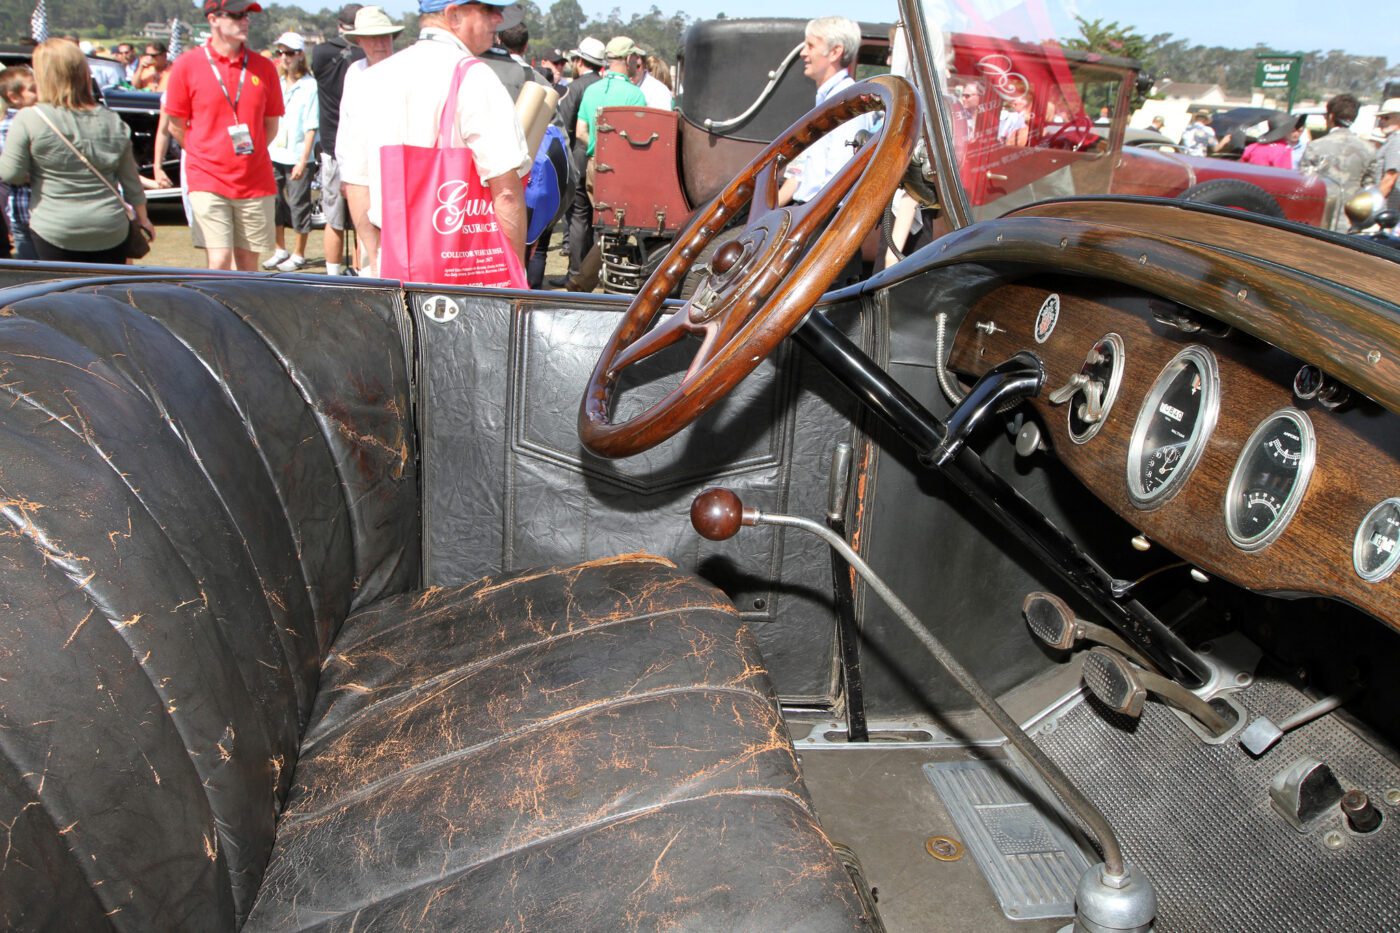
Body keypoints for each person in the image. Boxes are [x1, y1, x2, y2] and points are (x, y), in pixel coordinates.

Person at [339, 0, 531, 278]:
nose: (498, 19)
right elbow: (507, 192)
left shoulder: (370, 79)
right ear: (453, 15)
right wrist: (515, 271)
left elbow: (356, 183)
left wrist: (376, 259)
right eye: (487, 9)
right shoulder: (474, 76)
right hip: (460, 268)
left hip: (389, 263)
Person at [0, 39, 153, 263]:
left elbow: (11, 173)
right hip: (110, 226)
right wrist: (143, 218)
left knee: (61, 286)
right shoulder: (111, 119)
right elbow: (131, 181)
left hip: (55, 227)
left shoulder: (29, 118)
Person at [162, 0, 283, 271]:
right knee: (219, 261)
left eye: (247, 16)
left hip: (255, 180)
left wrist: (248, 155)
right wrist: (207, 154)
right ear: (213, 19)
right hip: (207, 178)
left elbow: (270, 126)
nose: (245, 21)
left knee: (248, 267)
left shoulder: (264, 67)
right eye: (237, 15)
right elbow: (176, 126)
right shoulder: (187, 65)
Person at [567, 36, 646, 291]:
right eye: (635, 58)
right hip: (621, 171)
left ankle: (583, 279)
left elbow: (581, 131)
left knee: (603, 226)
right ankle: (583, 282)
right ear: (629, 59)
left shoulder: (592, 90)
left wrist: (598, 147)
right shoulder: (635, 95)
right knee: (612, 229)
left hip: (594, 165)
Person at [334, 5, 403, 271]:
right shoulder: (354, 72)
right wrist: (345, 171)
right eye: (372, 38)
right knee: (368, 249)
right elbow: (346, 123)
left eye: (384, 36)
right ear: (359, 41)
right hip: (361, 168)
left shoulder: (405, 70)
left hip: (397, 167)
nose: (380, 43)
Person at [778, 16, 869, 206]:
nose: (803, 53)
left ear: (835, 52)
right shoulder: (827, 99)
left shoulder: (846, 102)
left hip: (824, 213)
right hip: (808, 209)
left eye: (810, 46)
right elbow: (802, 172)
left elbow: (838, 179)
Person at [310, 4, 366, 275]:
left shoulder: (321, 52)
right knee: (363, 218)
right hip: (361, 146)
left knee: (334, 219)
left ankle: (333, 274)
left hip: (332, 146)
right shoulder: (368, 53)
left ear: (339, 25)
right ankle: (361, 272)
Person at [550, 36, 604, 287]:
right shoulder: (602, 86)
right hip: (604, 161)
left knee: (578, 218)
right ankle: (592, 273)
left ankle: (576, 274)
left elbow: (564, 124)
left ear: (579, 61)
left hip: (580, 159)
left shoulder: (576, 87)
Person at [264, 32, 318, 272]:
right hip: (274, 152)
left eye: (289, 53)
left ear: (300, 55)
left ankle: (299, 253)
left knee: (298, 204)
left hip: (298, 154)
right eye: (280, 52)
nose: (284, 57)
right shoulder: (276, 82)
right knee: (274, 202)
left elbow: (311, 127)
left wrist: (303, 160)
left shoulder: (310, 85)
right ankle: (280, 249)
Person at [1300, 94, 1373, 231]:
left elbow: (1305, 184)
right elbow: (1370, 187)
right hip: (1350, 222)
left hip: (1319, 219)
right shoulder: (1369, 149)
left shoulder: (1315, 146)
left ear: (1331, 116)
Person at [0, 65, 38, 259]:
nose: (38, 94)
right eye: (33, 90)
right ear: (14, 97)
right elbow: (12, 171)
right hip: (30, 208)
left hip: (19, 211)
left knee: (28, 269)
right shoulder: (10, 127)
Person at [1362, 99, 1400, 215]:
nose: (1381, 122)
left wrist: (1371, 207)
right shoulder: (1392, 140)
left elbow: (1390, 177)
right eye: (1380, 118)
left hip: (1385, 209)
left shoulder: (1397, 141)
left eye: (1386, 118)